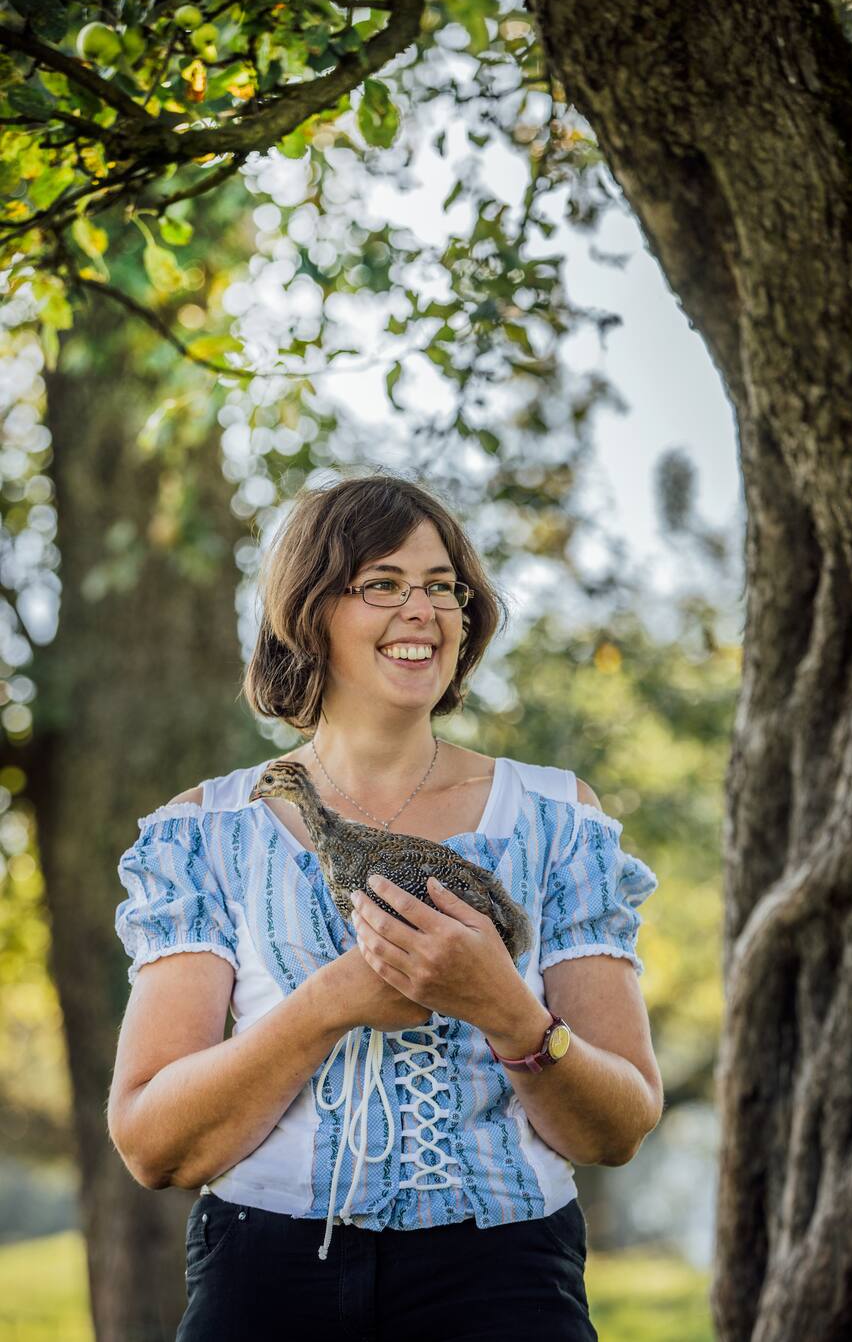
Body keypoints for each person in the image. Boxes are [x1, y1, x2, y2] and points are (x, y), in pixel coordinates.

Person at [108, 471, 663, 1341]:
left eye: (443, 586)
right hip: (265, 1280)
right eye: (382, 584)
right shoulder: (207, 833)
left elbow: (620, 1126)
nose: (424, 609)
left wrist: (506, 1011)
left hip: (508, 1279)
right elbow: (153, 1144)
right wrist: (330, 1005)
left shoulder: (557, 819)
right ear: (309, 610)